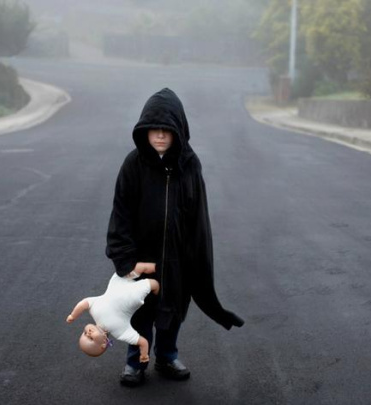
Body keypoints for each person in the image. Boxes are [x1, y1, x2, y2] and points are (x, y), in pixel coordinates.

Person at [106, 88, 244, 387]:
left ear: (178, 130)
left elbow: (199, 218)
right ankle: (135, 362)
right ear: (144, 129)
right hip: (142, 259)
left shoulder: (189, 164)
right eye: (154, 128)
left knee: (173, 310)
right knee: (140, 312)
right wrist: (125, 259)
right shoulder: (134, 164)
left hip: (177, 258)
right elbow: (121, 215)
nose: (159, 135)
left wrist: (197, 258)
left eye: (166, 130)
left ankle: (167, 356)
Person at [65, 264, 160, 363]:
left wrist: (73, 315)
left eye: (85, 333)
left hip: (119, 283)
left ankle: (158, 267)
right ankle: (160, 280)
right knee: (155, 284)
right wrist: (144, 354)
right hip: (134, 295)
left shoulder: (94, 310)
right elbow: (142, 342)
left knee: (140, 267)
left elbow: (84, 303)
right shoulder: (120, 333)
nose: (88, 332)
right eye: (91, 338)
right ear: (104, 343)